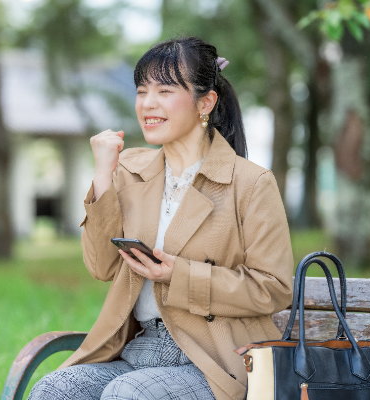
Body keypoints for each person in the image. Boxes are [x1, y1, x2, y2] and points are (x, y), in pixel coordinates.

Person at [28, 36, 293, 400]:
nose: (148, 104)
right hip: (140, 351)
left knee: (128, 394)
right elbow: (101, 268)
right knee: (54, 390)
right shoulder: (131, 170)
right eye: (141, 91)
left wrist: (176, 275)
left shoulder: (250, 183)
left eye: (165, 90)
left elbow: (273, 289)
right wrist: (103, 176)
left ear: (206, 102)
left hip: (218, 358)